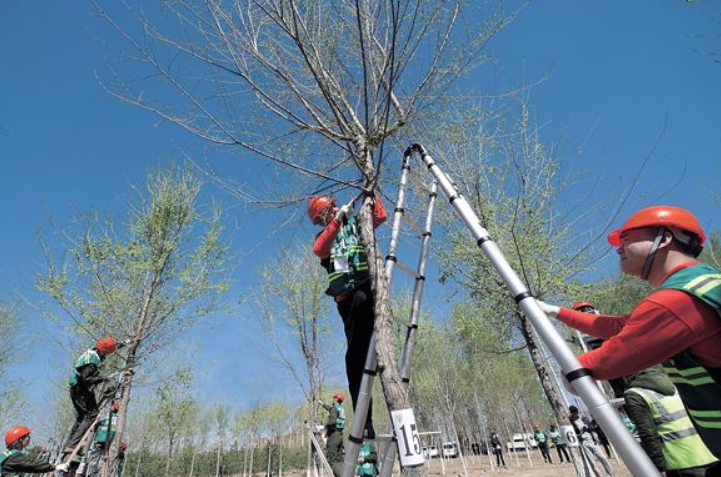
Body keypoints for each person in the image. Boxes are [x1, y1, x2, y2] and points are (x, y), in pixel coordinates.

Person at [538, 206, 721, 459]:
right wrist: (555, 311)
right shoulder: (700, 283)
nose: (618, 248)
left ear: (665, 238)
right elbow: (619, 326)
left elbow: (603, 362)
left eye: (626, 240)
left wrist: (570, 374)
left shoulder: (674, 301)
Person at [309, 194, 387, 439]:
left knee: (369, 351)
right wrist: (336, 221)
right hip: (347, 301)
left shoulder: (355, 224)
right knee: (355, 359)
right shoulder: (324, 237)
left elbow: (380, 216)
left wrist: (371, 192)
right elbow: (319, 250)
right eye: (323, 215)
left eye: (330, 210)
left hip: (365, 289)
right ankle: (365, 420)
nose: (328, 215)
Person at [624, 366, 718, 477]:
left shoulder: (634, 393)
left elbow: (648, 433)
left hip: (680, 461)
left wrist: (658, 466)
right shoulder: (674, 381)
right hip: (710, 452)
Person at [63, 337, 120, 457]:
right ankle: (73, 444)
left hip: (77, 389)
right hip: (81, 389)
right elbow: (86, 378)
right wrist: (103, 378)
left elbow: (110, 348)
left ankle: (69, 444)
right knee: (92, 414)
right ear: (105, 351)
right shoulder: (92, 360)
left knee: (82, 417)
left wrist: (123, 344)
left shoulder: (94, 352)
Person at [1, 426, 69, 474]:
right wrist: (54, 467)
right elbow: (32, 464)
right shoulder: (14, 457)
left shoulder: (6, 456)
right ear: (20, 439)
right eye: (27, 436)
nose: (29, 437)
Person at [319, 392, 347, 477]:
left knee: (332, 461)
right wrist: (322, 404)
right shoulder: (340, 408)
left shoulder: (335, 409)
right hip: (340, 435)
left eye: (334, 398)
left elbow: (332, 421)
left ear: (336, 399)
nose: (333, 400)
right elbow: (330, 409)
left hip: (333, 435)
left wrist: (325, 427)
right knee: (339, 460)